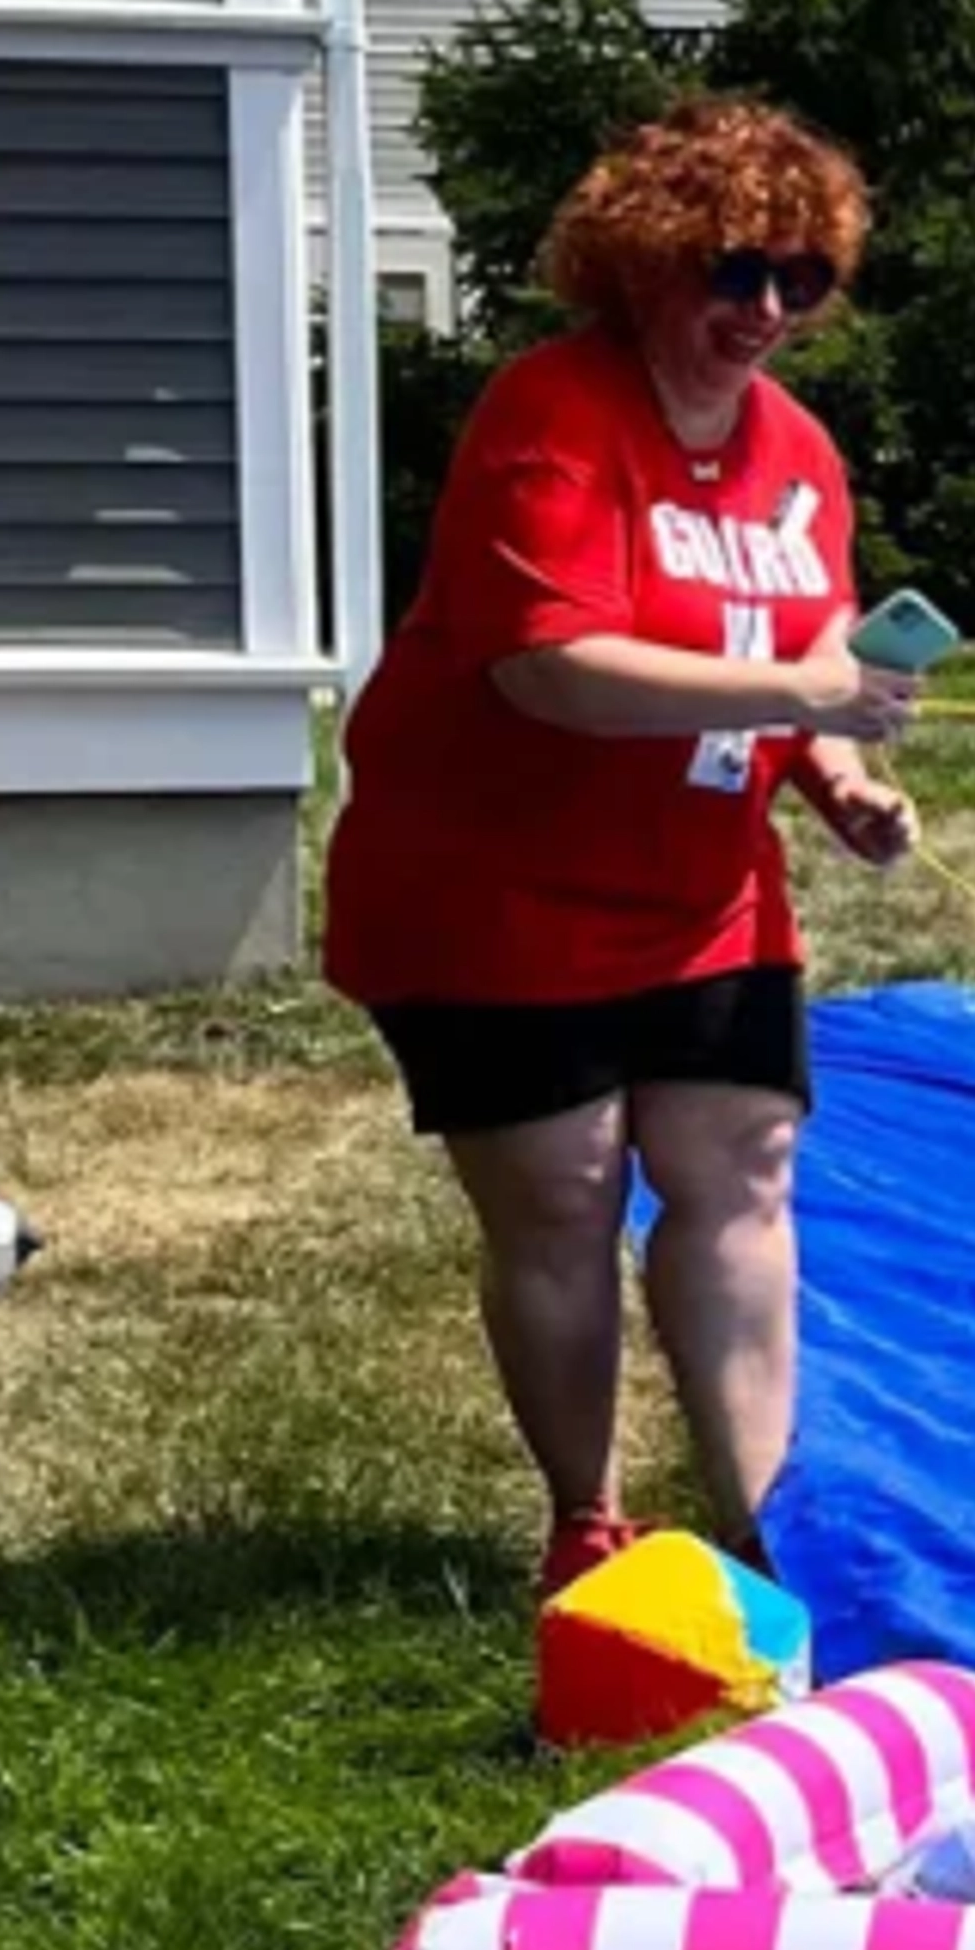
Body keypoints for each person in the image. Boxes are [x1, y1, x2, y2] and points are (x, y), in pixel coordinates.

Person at [323, 101, 922, 1588]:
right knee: (567, 1191)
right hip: (487, 889)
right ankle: (586, 1519)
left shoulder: (800, 458)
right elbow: (552, 666)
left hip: (701, 890)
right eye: (734, 270)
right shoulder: (550, 416)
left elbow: (801, 646)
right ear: (641, 266)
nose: (766, 310)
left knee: (744, 1166)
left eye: (802, 278)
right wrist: (806, 693)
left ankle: (762, 1528)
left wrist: (831, 772)